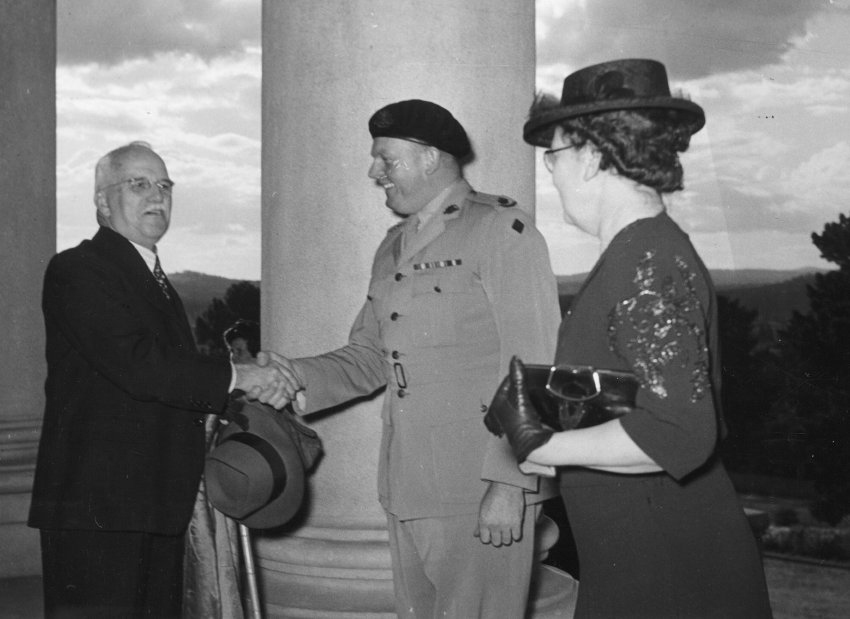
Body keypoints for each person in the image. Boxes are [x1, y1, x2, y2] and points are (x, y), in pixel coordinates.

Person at [484, 59, 774, 617]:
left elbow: (682, 432)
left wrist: (541, 445)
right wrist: (553, 402)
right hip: (643, 542)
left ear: (591, 157)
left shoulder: (644, 260)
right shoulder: (641, 250)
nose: (551, 172)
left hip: (661, 558)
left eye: (555, 154)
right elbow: (642, 390)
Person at [263, 99, 562, 617]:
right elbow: (369, 355)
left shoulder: (500, 231)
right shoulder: (394, 247)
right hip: (409, 483)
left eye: (386, 159)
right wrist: (291, 378)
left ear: (429, 157)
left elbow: (534, 363)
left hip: (478, 485)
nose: (374, 172)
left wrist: (510, 483)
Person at [28, 141, 288, 619]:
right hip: (99, 507)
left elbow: (164, 382)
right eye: (139, 183)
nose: (158, 195)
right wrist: (238, 375)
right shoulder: (78, 268)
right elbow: (140, 365)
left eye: (165, 185)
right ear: (103, 201)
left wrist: (242, 392)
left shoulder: (152, 278)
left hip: (153, 502)